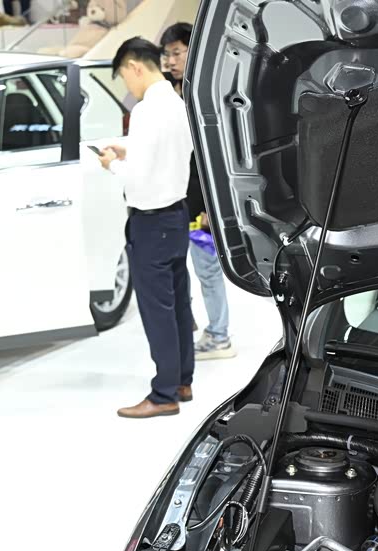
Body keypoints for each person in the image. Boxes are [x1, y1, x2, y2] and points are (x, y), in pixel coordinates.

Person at [99, 37, 195, 418]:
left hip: (151, 221)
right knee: (178, 303)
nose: (128, 86)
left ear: (135, 67)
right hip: (176, 215)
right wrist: (129, 151)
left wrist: (112, 164)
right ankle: (183, 381)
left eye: (125, 77)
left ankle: (163, 394)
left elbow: (136, 178)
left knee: (157, 310)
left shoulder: (144, 111)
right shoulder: (177, 103)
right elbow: (168, 153)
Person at [161, 22, 237, 361]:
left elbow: (215, 155)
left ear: (194, 50)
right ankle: (190, 324)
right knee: (179, 268)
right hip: (174, 200)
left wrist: (210, 205)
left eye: (177, 52)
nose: (170, 61)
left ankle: (219, 336)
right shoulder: (169, 94)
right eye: (167, 54)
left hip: (200, 205)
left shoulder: (205, 94)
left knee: (207, 270)